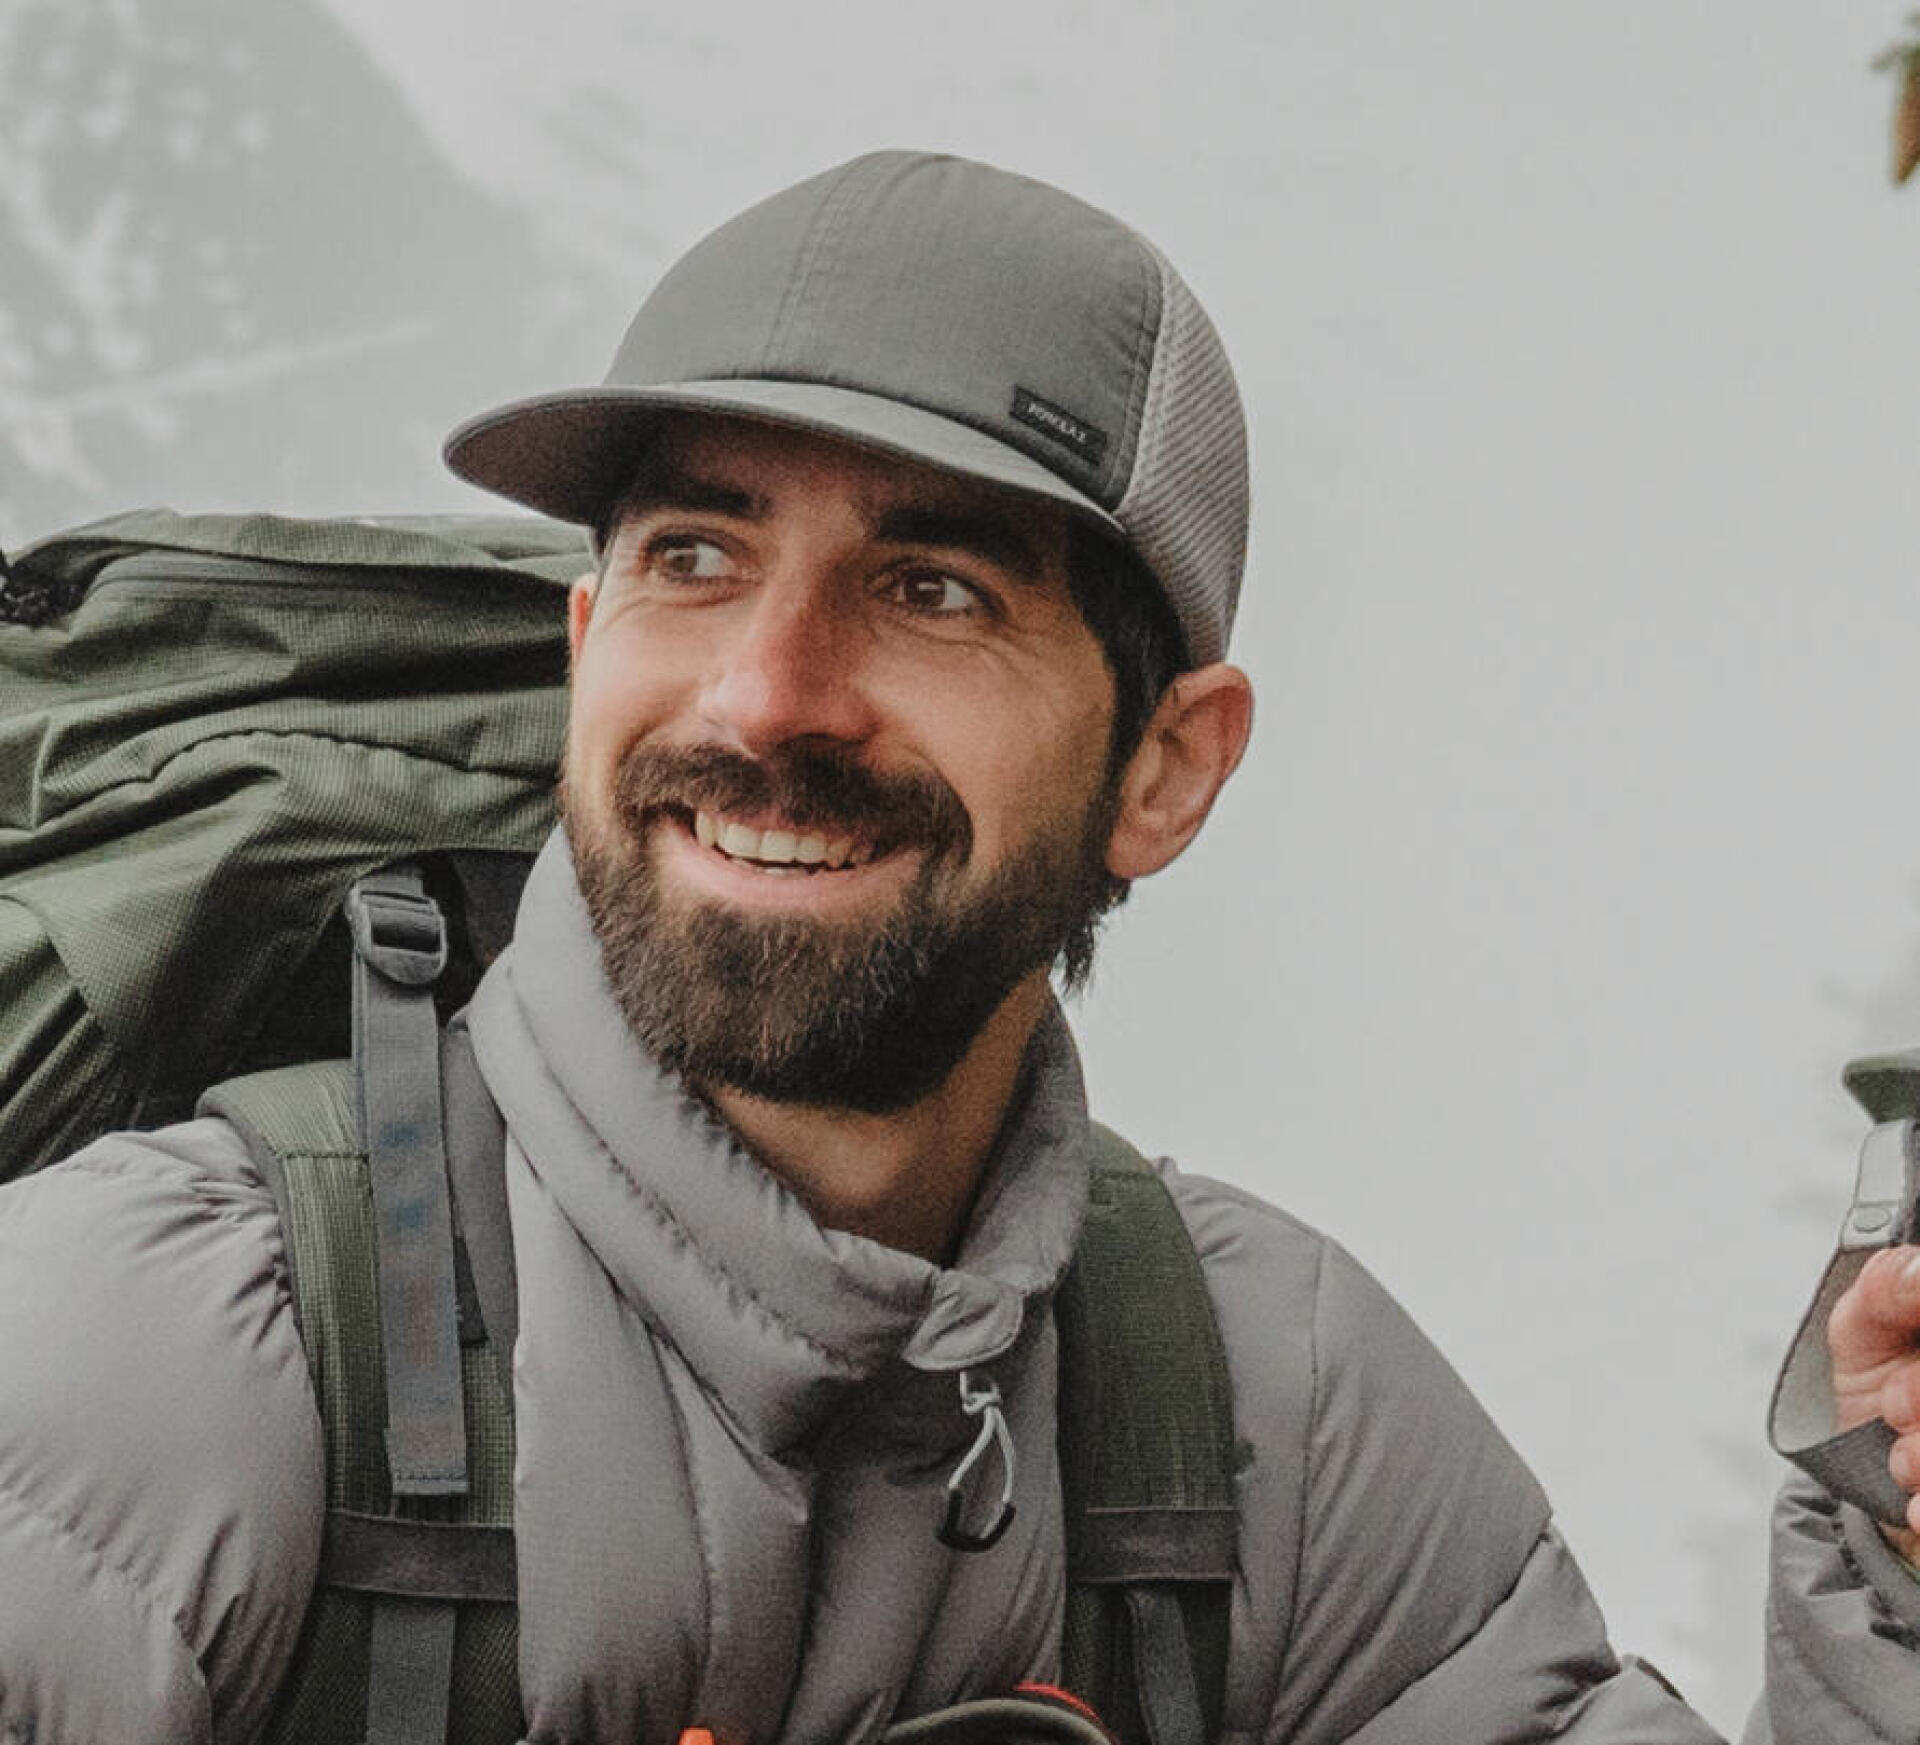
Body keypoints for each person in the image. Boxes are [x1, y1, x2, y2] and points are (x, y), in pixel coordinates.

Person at [0, 148, 1916, 1745]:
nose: (768, 693)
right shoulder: (141, 1372)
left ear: (1169, 766)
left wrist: (1898, 1562)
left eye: (931, 587)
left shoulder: (1279, 1427)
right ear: (587, 647)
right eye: (693, 556)